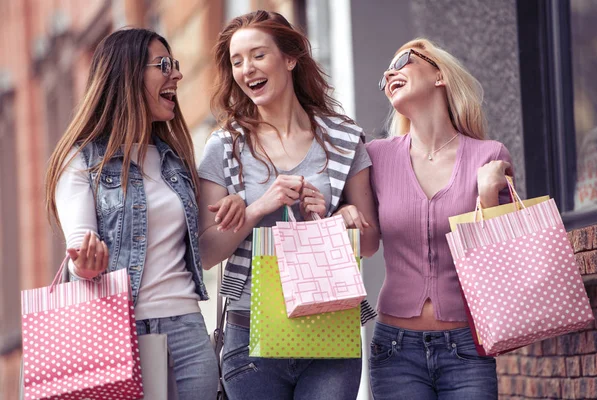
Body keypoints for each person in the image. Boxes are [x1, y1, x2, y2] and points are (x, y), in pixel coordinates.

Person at [45, 28, 245, 399]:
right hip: (113, 329)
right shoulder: (82, 159)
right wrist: (85, 265)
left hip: (186, 327)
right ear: (127, 75)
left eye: (176, 65)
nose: (177, 76)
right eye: (163, 65)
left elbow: (200, 247)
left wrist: (237, 209)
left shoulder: (175, 159)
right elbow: (79, 243)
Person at [197, 10, 379, 400]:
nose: (247, 69)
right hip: (250, 336)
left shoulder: (344, 140)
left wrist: (339, 220)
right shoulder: (224, 147)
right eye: (237, 61)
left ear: (290, 58)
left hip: (329, 327)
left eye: (258, 55)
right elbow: (207, 253)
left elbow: (371, 241)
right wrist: (257, 207)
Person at [367, 38, 513, 400]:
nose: (389, 73)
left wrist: (488, 193)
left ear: (439, 75)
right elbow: (365, 243)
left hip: (467, 346)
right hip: (395, 349)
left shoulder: (488, 155)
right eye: (385, 73)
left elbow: (500, 259)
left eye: (402, 60)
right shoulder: (376, 157)